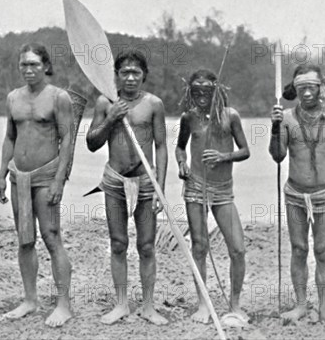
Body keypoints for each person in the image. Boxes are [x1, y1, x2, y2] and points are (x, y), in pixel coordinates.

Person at [0, 43, 75, 327]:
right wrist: (2, 174)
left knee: (51, 237)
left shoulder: (58, 97)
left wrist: (59, 180)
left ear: (45, 66)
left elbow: (67, 139)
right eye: (24, 65)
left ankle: (63, 304)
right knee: (25, 239)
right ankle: (30, 300)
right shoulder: (13, 98)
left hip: (46, 174)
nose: (29, 70)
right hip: (19, 176)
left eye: (34, 65)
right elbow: (9, 137)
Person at [85, 50, 168, 325]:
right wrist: (111, 118)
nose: (130, 77)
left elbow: (161, 146)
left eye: (136, 72)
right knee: (118, 243)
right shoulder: (105, 102)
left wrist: (160, 188)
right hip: (115, 181)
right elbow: (92, 142)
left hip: (145, 181)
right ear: (116, 76)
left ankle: (147, 306)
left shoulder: (154, 104)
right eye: (125, 72)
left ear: (144, 75)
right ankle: (121, 304)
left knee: (146, 246)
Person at [269, 64, 325, 330]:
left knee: (323, 251)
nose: (306, 94)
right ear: (296, 89)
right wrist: (274, 127)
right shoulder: (287, 119)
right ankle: (302, 304)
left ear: (320, 88)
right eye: (301, 88)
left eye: (311, 88)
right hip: (294, 194)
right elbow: (278, 155)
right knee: (299, 249)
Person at [175, 69, 250, 324]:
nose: (201, 95)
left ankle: (235, 304)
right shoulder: (189, 118)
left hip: (223, 190)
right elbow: (179, 147)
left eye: (207, 90)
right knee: (199, 246)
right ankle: (203, 304)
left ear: (216, 90)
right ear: (190, 92)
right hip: (195, 188)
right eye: (196, 90)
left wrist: (223, 157)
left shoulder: (231, 116)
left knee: (238, 249)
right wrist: (182, 163)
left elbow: (245, 150)